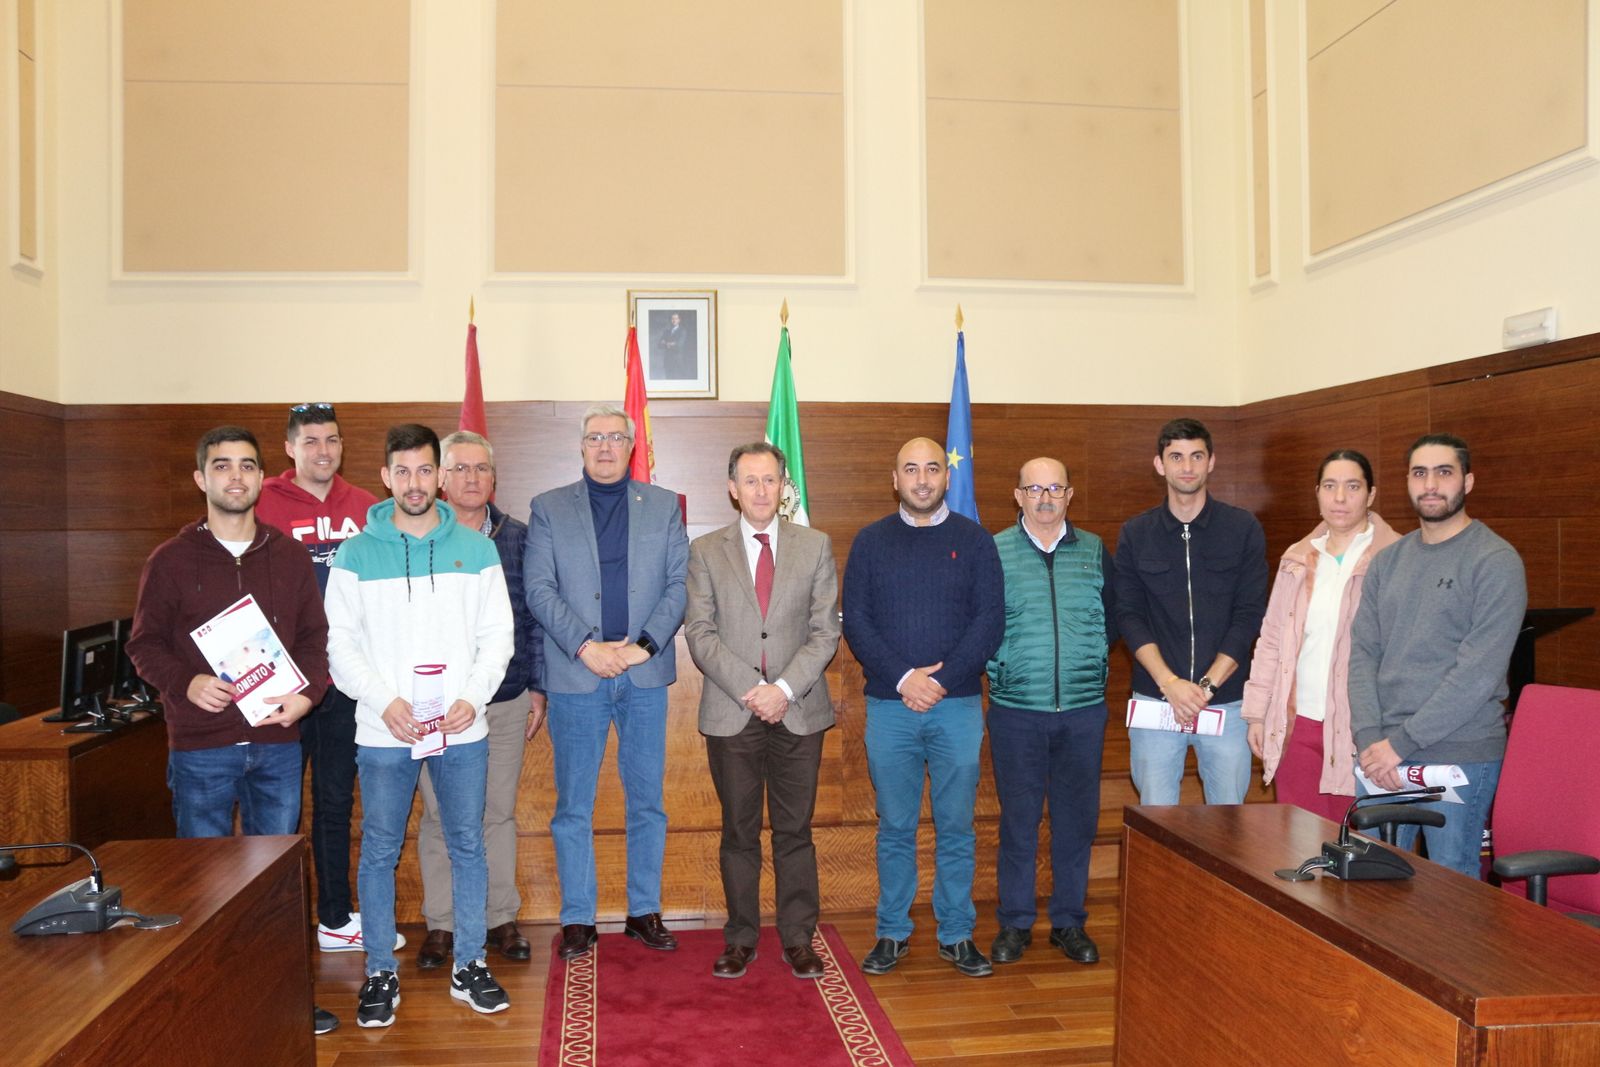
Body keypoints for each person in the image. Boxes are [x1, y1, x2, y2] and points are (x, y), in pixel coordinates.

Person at [125, 425, 339, 1036]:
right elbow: (143, 644)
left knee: (276, 883)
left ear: (261, 477)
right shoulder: (169, 560)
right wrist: (184, 683)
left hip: (276, 745)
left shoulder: (289, 555)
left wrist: (306, 696)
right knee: (203, 881)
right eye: (222, 466)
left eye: (247, 465)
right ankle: (207, 1000)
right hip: (201, 747)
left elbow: (315, 642)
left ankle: (283, 996)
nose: (236, 477)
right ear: (202, 479)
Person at [325, 424, 514, 1026]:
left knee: (467, 844)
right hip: (385, 732)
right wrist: (384, 702)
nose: (414, 483)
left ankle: (470, 964)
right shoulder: (355, 553)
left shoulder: (479, 549)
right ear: (385, 477)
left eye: (424, 471)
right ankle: (380, 971)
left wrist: (471, 697)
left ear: (440, 475)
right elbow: (341, 647)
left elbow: (497, 638)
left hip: (461, 728)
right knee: (379, 850)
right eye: (401, 471)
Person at [524, 404, 689, 961]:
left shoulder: (664, 506)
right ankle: (578, 919)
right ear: (581, 446)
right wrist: (586, 647)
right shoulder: (548, 508)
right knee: (574, 804)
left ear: (631, 444)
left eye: (615, 437)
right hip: (578, 673)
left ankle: (644, 911)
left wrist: (641, 647)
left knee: (648, 802)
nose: (604, 446)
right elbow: (540, 588)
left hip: (644, 673)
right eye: (594, 437)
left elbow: (678, 585)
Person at [842, 437, 1004, 978]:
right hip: (890, 707)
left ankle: (957, 934)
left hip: (955, 706)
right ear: (895, 479)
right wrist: (905, 678)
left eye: (932, 468)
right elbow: (857, 621)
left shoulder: (976, 542)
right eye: (910, 469)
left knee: (957, 826)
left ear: (946, 477)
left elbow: (990, 622)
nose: (922, 479)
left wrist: (942, 680)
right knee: (895, 827)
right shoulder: (870, 543)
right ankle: (892, 932)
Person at [685, 442, 841, 980]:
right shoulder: (706, 550)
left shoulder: (815, 546)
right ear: (732, 488)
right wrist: (755, 689)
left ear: (783, 487)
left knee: (795, 831)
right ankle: (742, 938)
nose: (760, 490)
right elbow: (700, 635)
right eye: (749, 481)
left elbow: (825, 632)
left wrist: (784, 689)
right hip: (734, 712)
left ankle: (799, 938)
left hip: (798, 712)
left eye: (770, 480)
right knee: (739, 831)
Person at [1349, 433, 1526, 879]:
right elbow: (1363, 655)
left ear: (1467, 481)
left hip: (1458, 753)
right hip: (1381, 755)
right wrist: (1372, 741)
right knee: (1376, 888)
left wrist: (1399, 745)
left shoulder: (1494, 560)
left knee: (1450, 892)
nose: (1431, 484)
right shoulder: (1387, 562)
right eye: (1419, 473)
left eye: (1443, 472)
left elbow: (1477, 675)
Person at [255, 402, 388, 957]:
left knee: (334, 804)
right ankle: (272, 926)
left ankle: (334, 917)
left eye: (331, 440)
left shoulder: (366, 507)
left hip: (343, 686)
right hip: (278, 687)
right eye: (310, 441)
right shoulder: (258, 502)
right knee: (275, 811)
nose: (323, 451)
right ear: (289, 448)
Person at [414, 430, 547, 969]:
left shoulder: (518, 537)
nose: (472, 479)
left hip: (507, 697)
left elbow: (533, 617)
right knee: (440, 813)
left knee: (496, 811)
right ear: (441, 478)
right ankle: (442, 924)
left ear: (494, 479)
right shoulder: (418, 539)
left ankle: (499, 917)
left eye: (481, 470)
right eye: (460, 468)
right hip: (436, 703)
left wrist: (538, 686)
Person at [986, 458, 1117, 968]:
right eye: (1034, 488)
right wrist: (1003, 668)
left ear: (1069, 494)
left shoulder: (1094, 551)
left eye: (1054, 488)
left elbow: (1113, 619)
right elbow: (980, 623)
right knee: (1018, 822)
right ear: (1017, 495)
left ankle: (1069, 922)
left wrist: (1093, 660)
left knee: (1076, 823)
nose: (1044, 498)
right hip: (1016, 710)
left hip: (1083, 712)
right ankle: (1015, 924)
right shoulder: (993, 551)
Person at [1114, 418, 1268, 806]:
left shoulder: (1242, 527)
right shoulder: (1136, 532)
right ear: (1159, 464)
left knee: (1229, 826)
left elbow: (1249, 614)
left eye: (1196, 456)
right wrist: (1170, 684)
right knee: (1158, 823)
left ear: (1211, 462)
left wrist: (1207, 688)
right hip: (1156, 700)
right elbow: (1129, 616)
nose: (1187, 467)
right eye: (1176, 457)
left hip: (1227, 702)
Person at [1241, 450, 1401, 822]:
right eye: (1330, 486)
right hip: (1298, 726)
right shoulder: (1298, 556)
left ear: (1371, 494)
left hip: (1363, 732)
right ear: (1317, 492)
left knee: (1358, 854)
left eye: (1352, 486)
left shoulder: (1396, 556)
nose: (1340, 498)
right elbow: (1272, 639)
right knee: (1299, 847)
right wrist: (1257, 714)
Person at [651, 311, 695, 379]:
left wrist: (665, 343)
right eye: (672, 319)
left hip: (677, 361)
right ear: (671, 320)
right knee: (668, 380)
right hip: (667, 361)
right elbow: (659, 345)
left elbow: (679, 345)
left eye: (676, 318)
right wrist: (671, 344)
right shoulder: (667, 331)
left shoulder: (682, 331)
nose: (674, 320)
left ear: (679, 320)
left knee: (677, 381)